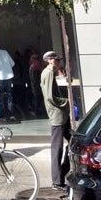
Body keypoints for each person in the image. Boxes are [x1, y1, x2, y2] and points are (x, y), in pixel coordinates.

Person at [41, 50, 70, 191]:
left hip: (61, 115)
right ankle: (57, 181)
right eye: (57, 60)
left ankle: (62, 174)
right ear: (50, 60)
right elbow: (50, 97)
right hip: (57, 116)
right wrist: (66, 101)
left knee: (74, 142)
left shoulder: (50, 72)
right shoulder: (48, 73)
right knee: (57, 149)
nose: (59, 63)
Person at [28, 49, 44, 117]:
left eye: (31, 58)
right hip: (39, 84)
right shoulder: (38, 65)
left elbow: (33, 78)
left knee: (37, 98)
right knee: (39, 98)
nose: (30, 60)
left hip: (36, 85)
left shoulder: (34, 66)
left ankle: (36, 111)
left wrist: (33, 86)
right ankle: (40, 110)